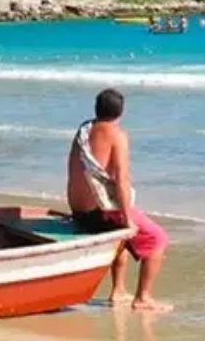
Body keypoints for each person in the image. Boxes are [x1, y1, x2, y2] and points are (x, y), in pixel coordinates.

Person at [67, 88, 171, 313]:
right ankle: (143, 297)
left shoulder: (83, 131)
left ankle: (118, 290)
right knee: (157, 238)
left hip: (78, 209)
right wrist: (126, 218)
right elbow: (122, 179)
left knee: (120, 230)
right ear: (121, 113)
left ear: (96, 109)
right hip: (96, 212)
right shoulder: (117, 135)